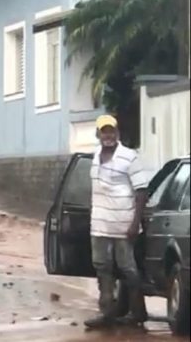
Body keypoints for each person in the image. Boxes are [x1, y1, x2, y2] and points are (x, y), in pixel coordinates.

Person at [84, 114, 149, 329]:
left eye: (111, 131)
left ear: (117, 133)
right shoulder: (95, 158)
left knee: (128, 268)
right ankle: (108, 314)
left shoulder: (129, 157)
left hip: (123, 225)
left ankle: (138, 312)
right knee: (102, 268)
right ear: (98, 134)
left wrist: (134, 223)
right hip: (100, 226)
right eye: (104, 131)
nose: (108, 135)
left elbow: (141, 191)